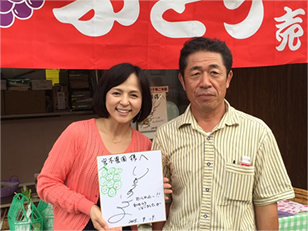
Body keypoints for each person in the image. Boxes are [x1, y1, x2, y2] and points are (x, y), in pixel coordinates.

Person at [151, 37, 295, 230]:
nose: (205, 83)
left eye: (214, 73)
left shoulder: (257, 132)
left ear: (228, 79)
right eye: (195, 74)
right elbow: (161, 202)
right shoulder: (166, 135)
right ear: (182, 81)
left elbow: (266, 204)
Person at [37, 63, 171, 231]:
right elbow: (46, 184)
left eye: (134, 95)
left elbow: (136, 199)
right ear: (104, 94)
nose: (124, 102)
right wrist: (89, 207)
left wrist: (154, 189)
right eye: (116, 93)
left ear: (143, 100)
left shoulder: (144, 145)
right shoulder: (77, 133)